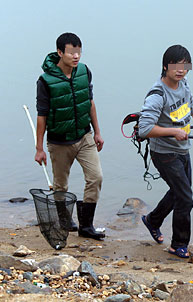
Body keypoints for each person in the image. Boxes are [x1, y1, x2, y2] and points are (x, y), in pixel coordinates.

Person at [138, 45, 193, 258]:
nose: (180, 70)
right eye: (176, 65)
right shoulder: (157, 95)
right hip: (165, 154)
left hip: (183, 150)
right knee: (186, 198)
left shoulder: (183, 85)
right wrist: (173, 132)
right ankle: (178, 245)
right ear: (165, 66)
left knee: (180, 192)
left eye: (185, 65)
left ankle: (153, 220)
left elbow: (191, 107)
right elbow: (144, 128)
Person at [35, 32, 105, 240]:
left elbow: (89, 102)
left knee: (96, 177)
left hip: (85, 136)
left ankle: (86, 226)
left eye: (79, 52)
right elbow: (42, 115)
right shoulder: (45, 81)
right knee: (61, 186)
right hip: (59, 142)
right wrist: (39, 148)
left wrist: (97, 132)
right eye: (71, 52)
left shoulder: (84, 71)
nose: (76, 57)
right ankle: (65, 220)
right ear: (59, 53)